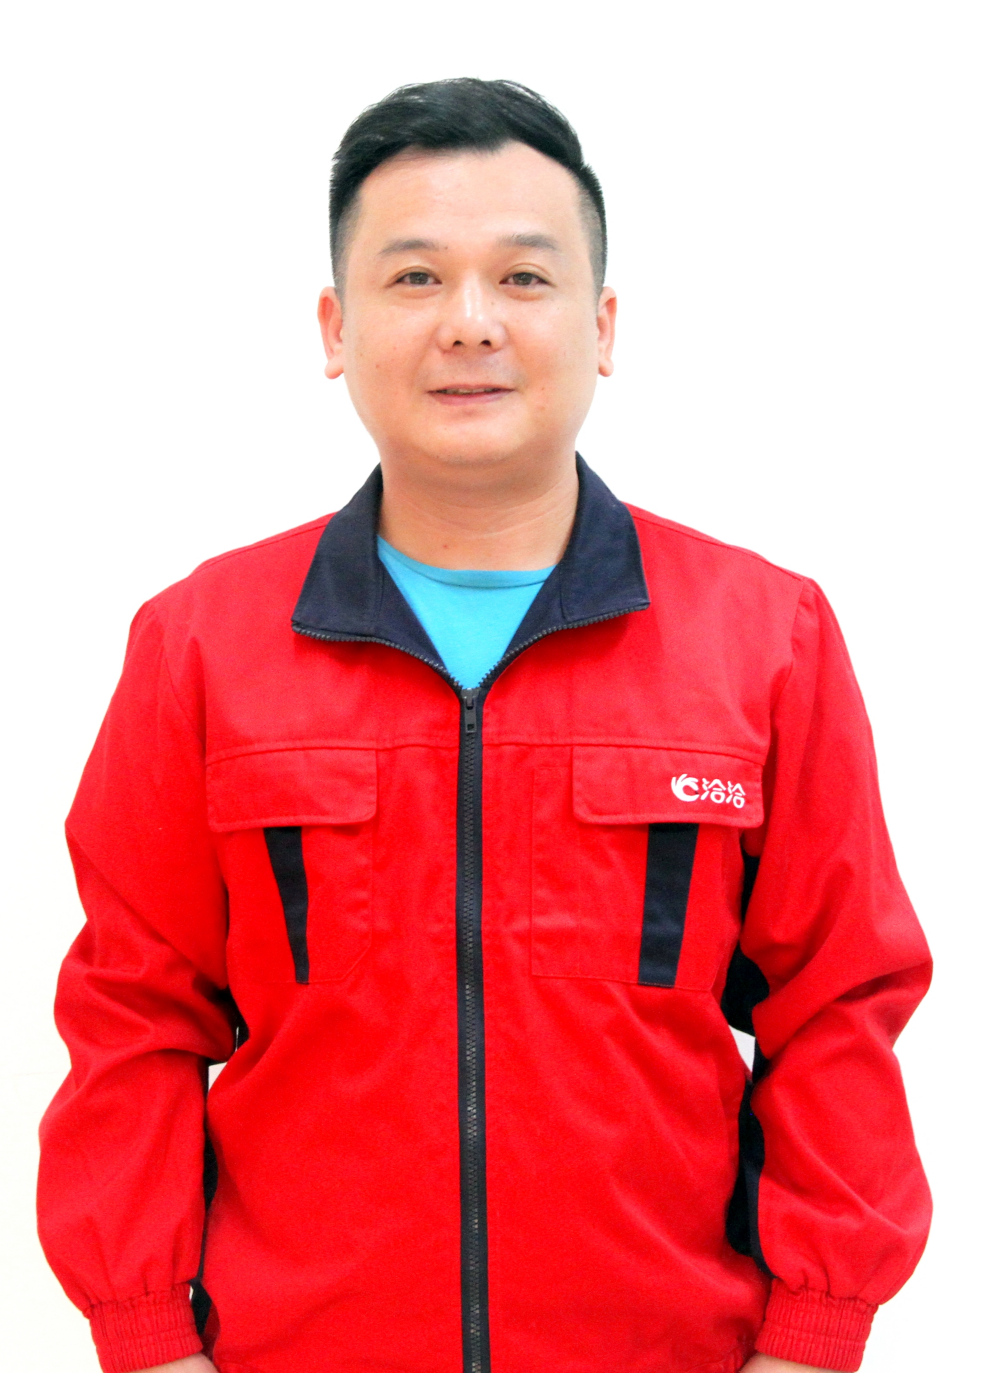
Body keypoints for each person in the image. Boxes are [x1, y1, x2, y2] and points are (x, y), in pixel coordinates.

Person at [37, 79, 932, 1373]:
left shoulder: (765, 637)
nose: (469, 322)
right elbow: (132, 1015)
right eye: (414, 279)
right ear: (335, 328)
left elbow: (840, 1003)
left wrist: (813, 1333)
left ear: (602, 326)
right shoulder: (202, 646)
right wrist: (145, 1337)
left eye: (523, 278)